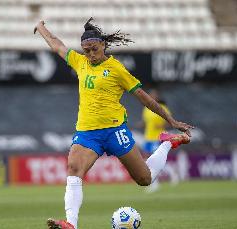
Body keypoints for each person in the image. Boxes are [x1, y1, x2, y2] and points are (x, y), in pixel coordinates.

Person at [34, 18, 194, 229]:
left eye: (94, 49)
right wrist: (42, 28)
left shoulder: (116, 69)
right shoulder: (79, 61)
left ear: (103, 45)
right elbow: (57, 45)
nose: (90, 54)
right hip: (87, 133)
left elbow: (144, 97)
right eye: (86, 50)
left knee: (144, 179)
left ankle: (167, 143)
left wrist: (171, 120)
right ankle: (71, 224)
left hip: (114, 130)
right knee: (74, 168)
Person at [140, 89, 178, 192]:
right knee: (148, 161)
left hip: (158, 137)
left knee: (155, 160)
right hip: (148, 137)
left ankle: (170, 176)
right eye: (150, 94)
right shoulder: (146, 109)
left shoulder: (162, 108)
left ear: (157, 97)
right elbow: (145, 122)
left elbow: (168, 120)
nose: (151, 96)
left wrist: (161, 124)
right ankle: (156, 182)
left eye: (154, 95)